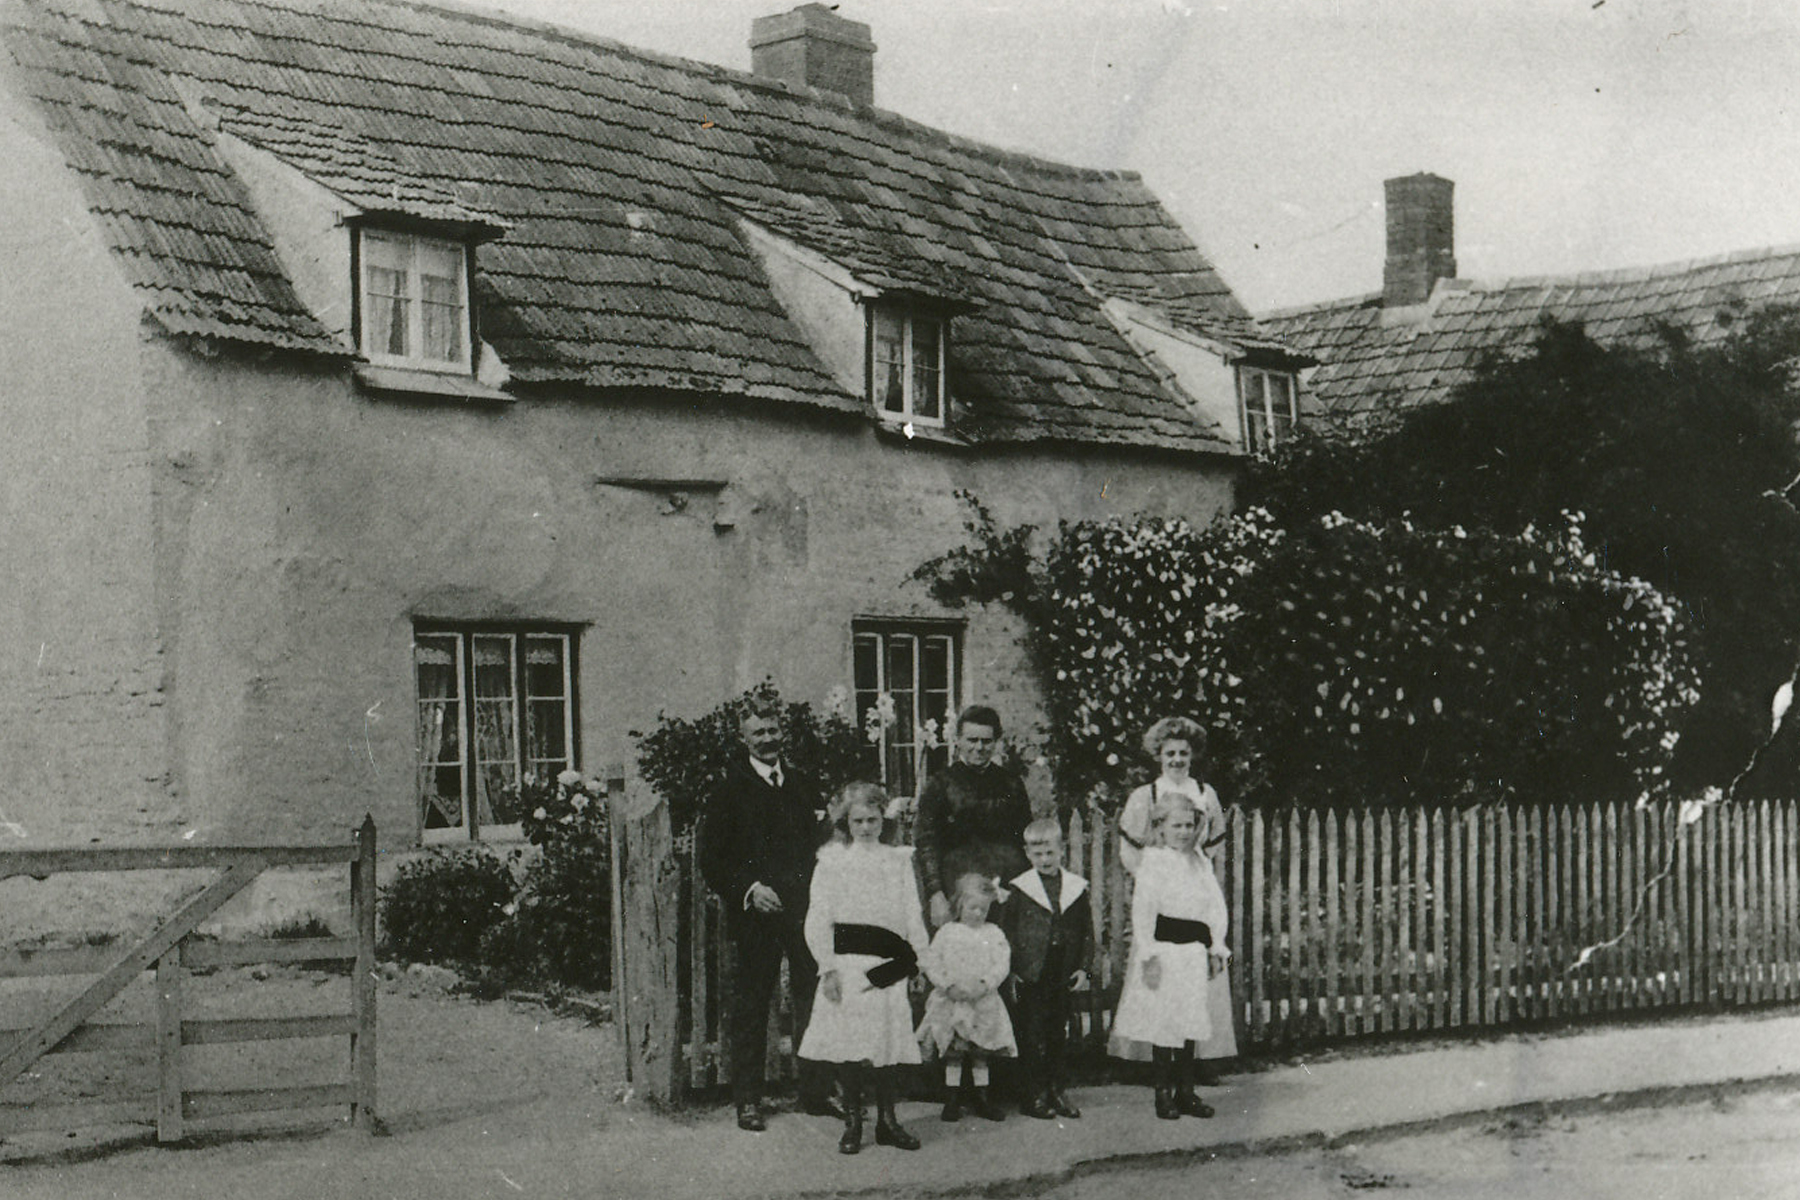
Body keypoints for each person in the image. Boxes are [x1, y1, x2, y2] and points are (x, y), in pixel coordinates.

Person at [699, 695, 839, 1132]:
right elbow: (712, 858)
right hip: (757, 914)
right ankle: (748, 1100)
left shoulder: (801, 784)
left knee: (811, 996)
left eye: (772, 730)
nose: (767, 739)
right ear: (744, 739)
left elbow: (820, 845)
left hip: (803, 911)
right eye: (757, 732)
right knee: (752, 1002)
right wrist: (750, 889)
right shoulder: (729, 791)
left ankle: (815, 1091)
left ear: (783, 732)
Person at [798, 783, 930, 1155]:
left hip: (889, 961)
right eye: (858, 821)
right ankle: (853, 1121)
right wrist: (827, 968)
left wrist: (918, 962)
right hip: (848, 963)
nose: (866, 827)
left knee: (887, 1041)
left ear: (883, 820)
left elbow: (912, 913)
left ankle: (888, 1121)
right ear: (846, 822)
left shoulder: (898, 860)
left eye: (873, 819)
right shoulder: (832, 862)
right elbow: (818, 917)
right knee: (850, 1043)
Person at [1117, 716, 1238, 1076]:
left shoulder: (1205, 793)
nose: (1177, 760)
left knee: (1197, 985)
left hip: (1194, 896)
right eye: (1170, 753)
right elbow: (1130, 849)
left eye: (1183, 753)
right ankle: (1149, 1065)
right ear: (1159, 755)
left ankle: (1200, 1062)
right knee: (1156, 987)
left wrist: (1191, 871)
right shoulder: (1146, 796)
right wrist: (1158, 879)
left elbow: (1213, 842)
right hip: (1161, 905)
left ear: (1192, 755)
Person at [1110, 791, 1231, 1120]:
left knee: (1190, 1019)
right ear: (1160, 827)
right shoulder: (1154, 861)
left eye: (1189, 825)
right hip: (1165, 952)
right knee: (1165, 1023)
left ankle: (1186, 1091)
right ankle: (1162, 1093)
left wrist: (1215, 946)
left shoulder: (1200, 862)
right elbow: (1144, 910)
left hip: (1194, 952)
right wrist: (1148, 955)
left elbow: (1214, 907)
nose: (1184, 832)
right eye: (1176, 826)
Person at [1001, 818, 1092, 1120]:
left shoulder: (1075, 888)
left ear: (1061, 850)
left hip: (1061, 968)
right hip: (1031, 973)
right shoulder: (1021, 889)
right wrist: (1012, 970)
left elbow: (1087, 931)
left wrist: (1083, 967)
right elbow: (1007, 932)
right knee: (1031, 1033)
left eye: (1050, 853)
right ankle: (1033, 1093)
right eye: (1037, 854)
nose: (1044, 860)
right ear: (1027, 853)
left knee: (1057, 1032)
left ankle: (1056, 1089)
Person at [913, 705, 1033, 929]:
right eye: (972, 740)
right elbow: (926, 843)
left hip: (1006, 888)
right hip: (959, 888)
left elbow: (1025, 840)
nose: (979, 747)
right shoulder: (940, 784)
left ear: (996, 742)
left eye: (986, 741)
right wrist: (935, 894)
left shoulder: (1011, 784)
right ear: (958, 740)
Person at [916, 873, 1017, 1122]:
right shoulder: (947, 932)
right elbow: (932, 962)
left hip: (982, 1002)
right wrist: (947, 986)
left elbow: (1001, 963)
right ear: (959, 905)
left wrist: (986, 984)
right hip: (953, 1001)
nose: (978, 913)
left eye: (984, 909)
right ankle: (952, 1099)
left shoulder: (993, 933)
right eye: (972, 907)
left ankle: (982, 1099)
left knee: (980, 1052)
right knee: (955, 1052)